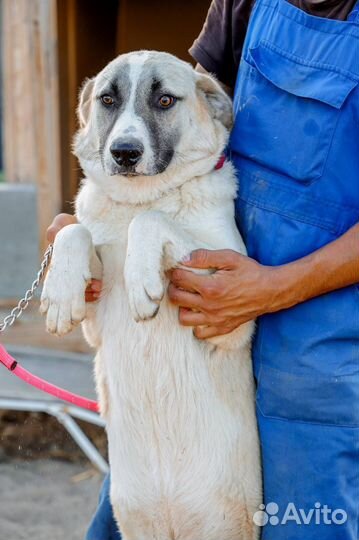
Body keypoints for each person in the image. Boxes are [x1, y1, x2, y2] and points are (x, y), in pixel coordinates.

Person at [48, 1, 359, 538]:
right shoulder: (245, 3)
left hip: (316, 356)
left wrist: (276, 287)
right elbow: (176, 96)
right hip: (169, 389)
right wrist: (79, 239)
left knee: (305, 526)